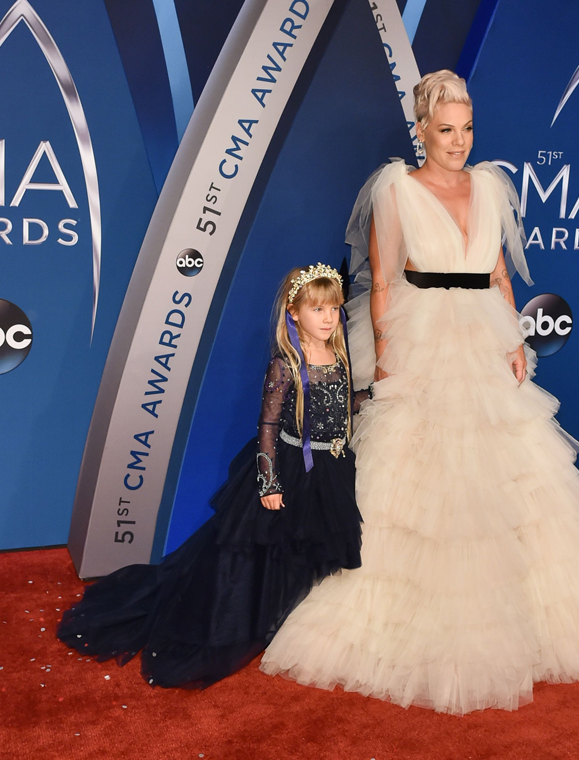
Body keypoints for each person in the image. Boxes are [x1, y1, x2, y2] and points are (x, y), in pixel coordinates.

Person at [260, 71, 579, 714]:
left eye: (467, 128)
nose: (458, 141)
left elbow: (500, 269)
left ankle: (526, 624)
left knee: (509, 474)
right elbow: (387, 281)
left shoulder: (490, 185)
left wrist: (514, 339)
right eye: (446, 129)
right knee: (416, 478)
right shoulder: (397, 188)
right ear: (421, 130)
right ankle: (405, 626)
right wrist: (388, 360)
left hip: (484, 333)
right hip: (421, 336)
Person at [58, 264, 367, 688]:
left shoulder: (341, 355)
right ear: (294, 313)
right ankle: (251, 622)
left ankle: (295, 622)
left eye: (334, 308)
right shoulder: (286, 364)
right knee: (261, 556)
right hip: (291, 470)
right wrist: (269, 481)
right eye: (317, 309)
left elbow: (339, 405)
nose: (329, 318)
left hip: (331, 471)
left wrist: (372, 397)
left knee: (308, 553)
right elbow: (269, 427)